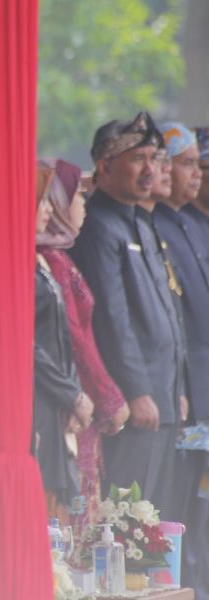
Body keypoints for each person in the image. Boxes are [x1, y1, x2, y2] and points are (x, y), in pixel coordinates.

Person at [69, 112, 187, 515]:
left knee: (155, 515)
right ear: (104, 166)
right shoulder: (99, 225)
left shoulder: (139, 220)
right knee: (126, 516)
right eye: (138, 158)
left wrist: (178, 386)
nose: (150, 169)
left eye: (155, 158)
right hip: (133, 401)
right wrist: (136, 390)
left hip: (163, 393)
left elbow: (167, 311)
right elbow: (111, 318)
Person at [36, 158, 128, 549]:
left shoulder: (55, 258)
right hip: (64, 403)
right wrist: (101, 397)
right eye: (77, 197)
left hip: (75, 401)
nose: (84, 205)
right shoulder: (50, 263)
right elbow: (73, 339)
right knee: (66, 524)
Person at [150, 123, 208, 597]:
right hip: (180, 387)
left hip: (197, 387)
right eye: (184, 162)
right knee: (176, 503)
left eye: (192, 163)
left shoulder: (188, 221)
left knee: (196, 504)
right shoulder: (156, 223)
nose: (187, 174)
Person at [32, 163, 95, 516]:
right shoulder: (9, 263)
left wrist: (70, 395)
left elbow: (61, 338)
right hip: (38, 403)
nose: (48, 211)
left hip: (56, 401)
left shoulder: (38, 258)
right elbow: (26, 343)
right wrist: (70, 394)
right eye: (41, 202)